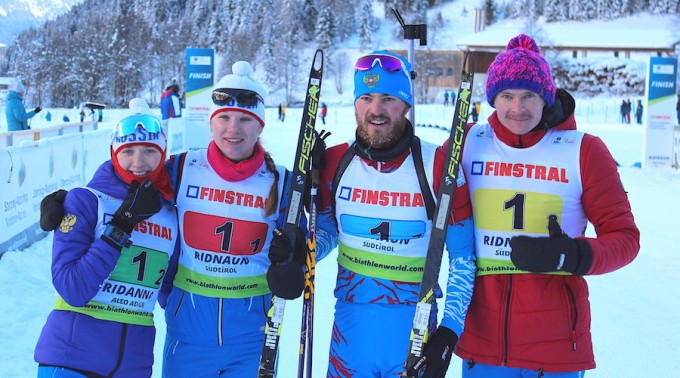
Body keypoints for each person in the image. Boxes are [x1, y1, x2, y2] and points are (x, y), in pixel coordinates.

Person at [455, 33, 640, 377]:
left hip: (557, 348)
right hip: (482, 345)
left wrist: (571, 255)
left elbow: (625, 239)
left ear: (546, 96)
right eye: (506, 95)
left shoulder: (584, 150)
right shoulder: (467, 143)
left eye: (529, 95)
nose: (517, 108)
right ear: (493, 97)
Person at [315, 50, 476, 377]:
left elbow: (463, 256)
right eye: (367, 98)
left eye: (388, 98)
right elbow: (328, 231)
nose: (376, 110)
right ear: (356, 104)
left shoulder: (437, 166)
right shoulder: (335, 162)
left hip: (413, 335)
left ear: (406, 105)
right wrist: (295, 253)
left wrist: (448, 332)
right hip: (349, 336)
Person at [159, 61, 310, 377]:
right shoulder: (180, 168)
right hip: (187, 336)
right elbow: (128, 183)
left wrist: (292, 264)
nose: (233, 128)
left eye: (245, 119)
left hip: (252, 338)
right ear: (212, 123)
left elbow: (302, 246)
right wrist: (78, 202)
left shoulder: (281, 183)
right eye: (224, 118)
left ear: (260, 126)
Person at [34, 98, 178, 377]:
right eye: (128, 151)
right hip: (72, 360)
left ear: (163, 152)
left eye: (150, 150)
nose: (139, 162)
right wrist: (122, 225)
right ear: (113, 152)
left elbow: (172, 293)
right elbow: (72, 288)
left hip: (133, 365)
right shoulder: (87, 200)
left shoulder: (171, 212)